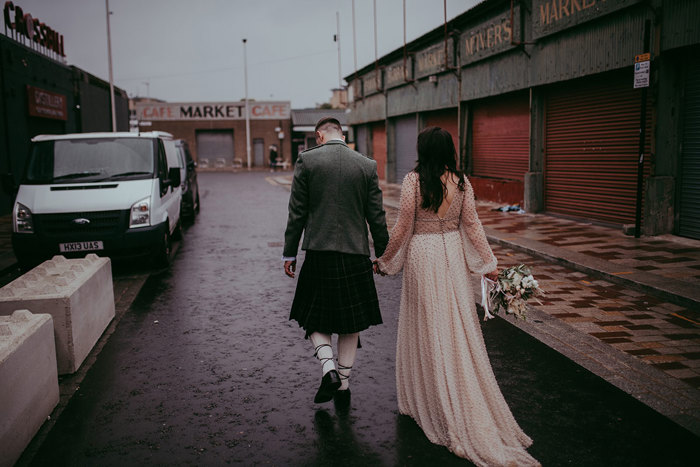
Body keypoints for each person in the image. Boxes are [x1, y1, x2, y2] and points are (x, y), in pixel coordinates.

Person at [375, 127, 539, 466]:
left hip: (423, 254)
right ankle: (457, 395)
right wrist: (489, 263)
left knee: (427, 325)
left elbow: (403, 227)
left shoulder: (414, 182)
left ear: (423, 149)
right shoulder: (462, 182)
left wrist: (385, 259)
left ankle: (433, 399)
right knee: (454, 325)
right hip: (452, 255)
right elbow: (473, 224)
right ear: (449, 149)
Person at [283, 117, 389, 409]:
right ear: (343, 134)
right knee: (349, 323)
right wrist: (383, 254)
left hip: (319, 252)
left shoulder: (308, 161)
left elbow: (297, 213)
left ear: (319, 135)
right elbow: (376, 216)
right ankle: (343, 384)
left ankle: (328, 368)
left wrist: (289, 252)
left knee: (313, 317)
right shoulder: (366, 165)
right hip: (356, 254)